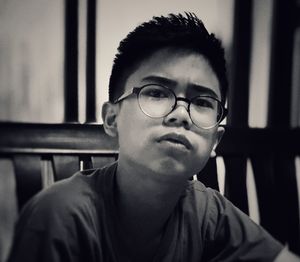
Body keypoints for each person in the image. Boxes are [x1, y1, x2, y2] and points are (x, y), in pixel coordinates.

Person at [8, 12, 300, 262]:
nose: (181, 114)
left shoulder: (208, 213)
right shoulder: (60, 216)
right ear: (112, 119)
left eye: (202, 102)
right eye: (157, 92)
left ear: (215, 142)